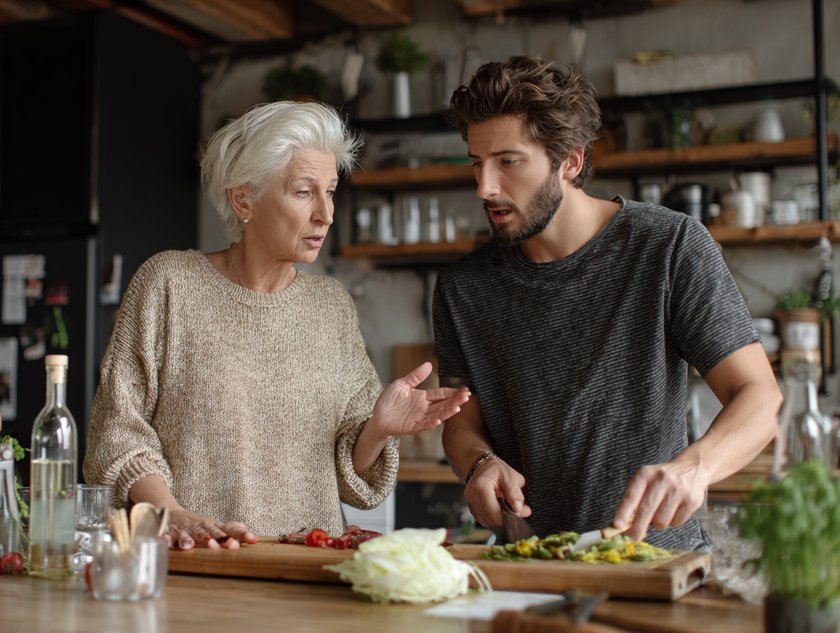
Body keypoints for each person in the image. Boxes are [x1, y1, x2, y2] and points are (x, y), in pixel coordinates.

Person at [84, 101, 470, 550]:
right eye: (304, 192)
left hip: (306, 573)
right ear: (244, 198)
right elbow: (117, 432)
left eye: (330, 191)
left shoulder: (331, 306)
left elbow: (353, 472)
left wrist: (377, 429)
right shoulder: (169, 284)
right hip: (196, 565)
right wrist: (170, 514)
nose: (325, 214)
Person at [433, 56, 781, 550]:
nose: (484, 187)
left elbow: (760, 398)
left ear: (570, 161)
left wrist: (695, 467)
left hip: (656, 563)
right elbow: (463, 423)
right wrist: (479, 464)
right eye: (476, 163)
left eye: (508, 162)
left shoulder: (669, 246)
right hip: (529, 565)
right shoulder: (462, 287)